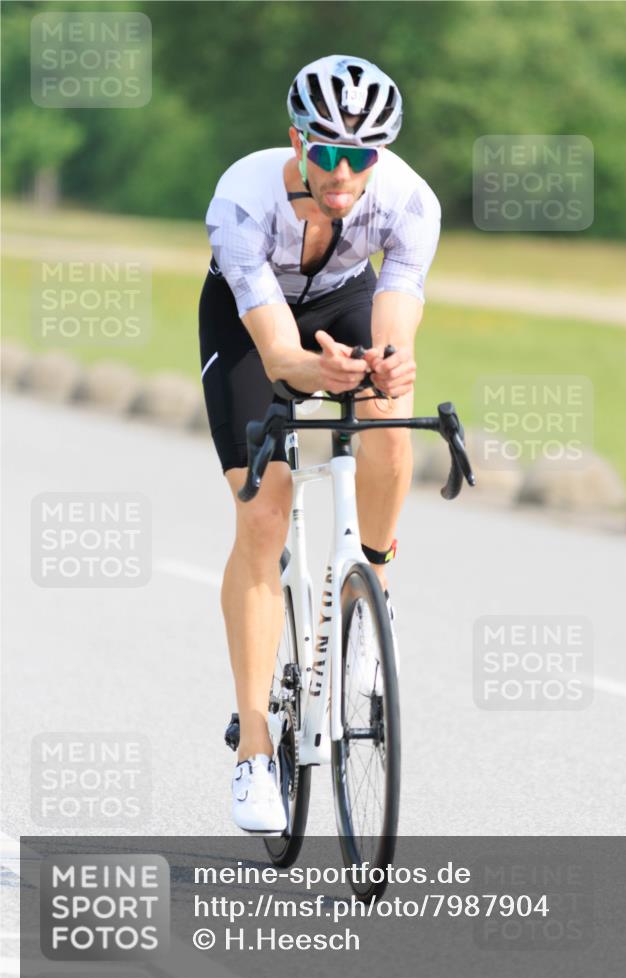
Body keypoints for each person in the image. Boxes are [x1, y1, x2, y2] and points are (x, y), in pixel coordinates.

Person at [199, 54, 441, 834]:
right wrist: (315, 371)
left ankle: (371, 588)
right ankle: (254, 749)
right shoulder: (242, 200)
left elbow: (396, 315)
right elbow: (277, 354)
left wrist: (385, 362)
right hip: (250, 323)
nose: (342, 173)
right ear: (297, 140)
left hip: (343, 299)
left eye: (360, 156)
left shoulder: (408, 201)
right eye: (328, 151)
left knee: (388, 415)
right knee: (263, 514)